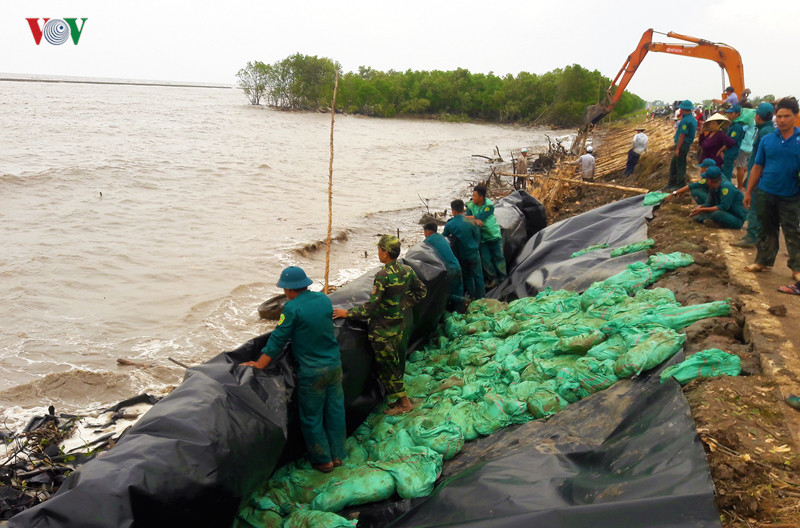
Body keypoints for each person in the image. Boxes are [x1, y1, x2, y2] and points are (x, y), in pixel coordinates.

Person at [241, 266, 346, 473]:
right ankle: (338, 455)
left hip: (312, 373)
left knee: (312, 417)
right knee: (335, 411)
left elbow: (278, 339)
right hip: (334, 366)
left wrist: (259, 364)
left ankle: (323, 460)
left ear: (288, 290)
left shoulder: (291, 309)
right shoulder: (324, 299)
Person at [333, 235, 426, 414]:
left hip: (382, 330)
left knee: (388, 365)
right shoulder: (407, 270)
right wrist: (403, 304)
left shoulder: (383, 276)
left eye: (379, 250)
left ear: (385, 253)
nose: (378, 253)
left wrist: (347, 313)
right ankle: (396, 397)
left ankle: (404, 403)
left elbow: (370, 308)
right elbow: (421, 290)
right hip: (398, 326)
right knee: (394, 361)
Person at [742, 97, 800, 293]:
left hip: (791, 194)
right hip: (766, 191)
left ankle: (797, 268)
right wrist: (749, 191)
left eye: (787, 116)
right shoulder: (768, 140)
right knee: (766, 228)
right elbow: (757, 166)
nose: (782, 120)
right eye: (779, 116)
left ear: (795, 117)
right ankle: (763, 261)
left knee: (792, 231)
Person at [732, 102, 775, 248]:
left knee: (754, 206)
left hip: (759, 177)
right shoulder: (764, 130)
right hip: (757, 174)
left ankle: (751, 237)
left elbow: (762, 159)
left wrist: (752, 181)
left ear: (758, 116)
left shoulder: (765, 133)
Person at [443, 199, 485, 300]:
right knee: (478, 276)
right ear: (463, 209)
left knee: (468, 277)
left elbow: (443, 237)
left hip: (462, 255)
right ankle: (482, 298)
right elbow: (478, 237)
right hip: (474, 253)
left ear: (453, 211)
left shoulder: (450, 224)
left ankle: (472, 297)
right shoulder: (471, 221)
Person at [466, 185, 506, 289]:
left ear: (481, 197)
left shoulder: (489, 205)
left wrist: (473, 218)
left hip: (493, 235)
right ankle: (493, 279)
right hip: (482, 238)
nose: (473, 197)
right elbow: (467, 218)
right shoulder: (470, 206)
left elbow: (481, 216)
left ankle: (503, 279)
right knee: (485, 260)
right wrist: (473, 219)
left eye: (475, 196)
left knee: (499, 257)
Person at [422, 222, 465, 310]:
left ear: (427, 232)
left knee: (447, 294)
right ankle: (462, 308)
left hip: (449, 270)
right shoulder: (441, 237)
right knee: (458, 291)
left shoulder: (427, 241)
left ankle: (454, 310)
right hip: (457, 266)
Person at [666, 100, 698, 191]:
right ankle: (672, 183)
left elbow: (682, 135)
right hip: (685, 144)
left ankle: (679, 184)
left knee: (680, 164)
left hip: (683, 145)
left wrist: (678, 149)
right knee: (675, 164)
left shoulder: (685, 121)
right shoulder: (692, 119)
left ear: (684, 109)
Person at [720, 105, 745, 181]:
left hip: (730, 153)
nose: (729, 115)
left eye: (731, 113)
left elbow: (731, 142)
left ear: (737, 114)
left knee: (726, 174)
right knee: (725, 172)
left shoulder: (737, 126)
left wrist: (721, 150)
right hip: (728, 152)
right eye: (728, 113)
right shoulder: (733, 125)